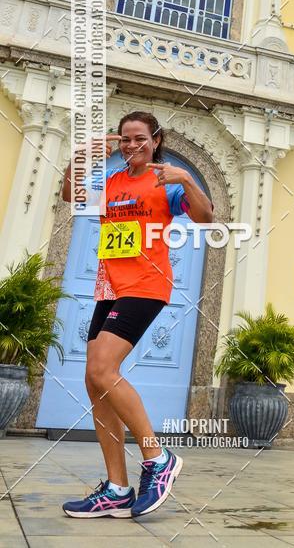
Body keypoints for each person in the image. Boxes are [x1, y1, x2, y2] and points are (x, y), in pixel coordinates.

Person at [61, 111, 213, 519]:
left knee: (104, 369)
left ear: (155, 140)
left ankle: (157, 457)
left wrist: (187, 180)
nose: (131, 146)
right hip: (108, 288)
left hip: (146, 285)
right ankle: (116, 488)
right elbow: (69, 196)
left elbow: (206, 217)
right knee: (94, 380)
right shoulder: (110, 182)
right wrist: (81, 157)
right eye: (124, 139)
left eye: (139, 138)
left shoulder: (165, 180)